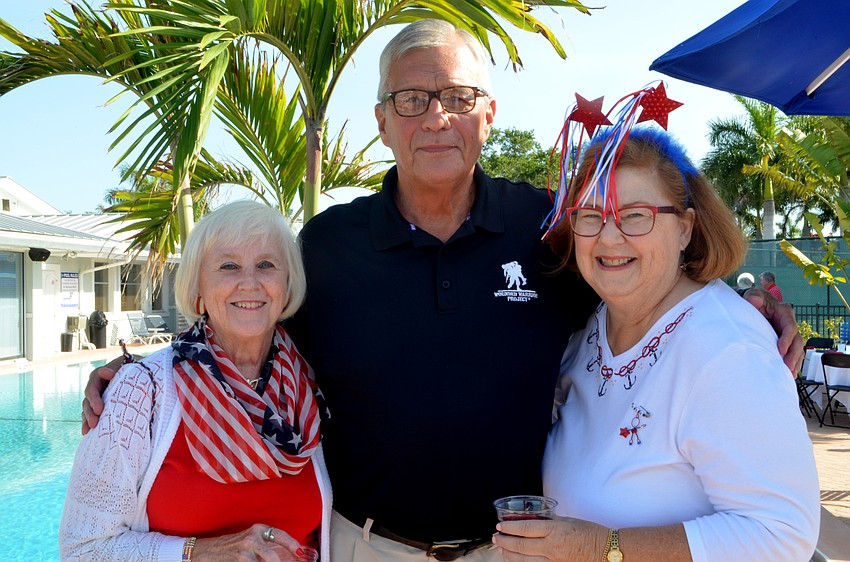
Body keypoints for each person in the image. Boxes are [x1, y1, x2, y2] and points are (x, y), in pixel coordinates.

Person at [82, 20, 803, 562]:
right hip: (367, 545)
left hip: (514, 551)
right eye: (412, 99)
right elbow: (249, 337)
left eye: (458, 97)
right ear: (382, 121)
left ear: (488, 114)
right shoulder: (328, 246)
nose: (436, 117)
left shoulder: (548, 227)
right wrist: (141, 378)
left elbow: (639, 281)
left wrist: (742, 306)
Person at [492, 120, 820, 561]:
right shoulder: (592, 324)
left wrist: (599, 547)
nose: (609, 237)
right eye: (590, 215)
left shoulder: (728, 350)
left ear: (685, 228)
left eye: (635, 215)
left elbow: (781, 534)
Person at [61, 201, 331, 561]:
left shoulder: (307, 386)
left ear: (287, 284)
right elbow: (82, 548)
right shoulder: (141, 391)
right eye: (228, 266)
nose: (249, 282)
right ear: (198, 287)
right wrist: (198, 552)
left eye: (266, 264)